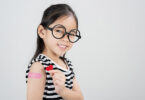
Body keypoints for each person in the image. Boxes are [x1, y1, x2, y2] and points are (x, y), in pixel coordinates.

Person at [25, 3, 84, 100]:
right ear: (42, 32)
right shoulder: (39, 67)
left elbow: (80, 97)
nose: (66, 39)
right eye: (59, 31)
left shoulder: (67, 64)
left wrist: (62, 90)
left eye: (72, 34)